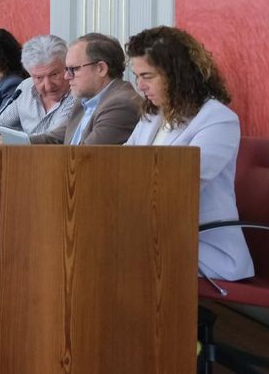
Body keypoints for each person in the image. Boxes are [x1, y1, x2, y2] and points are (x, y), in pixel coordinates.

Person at [124, 26, 253, 282]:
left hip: (202, 243)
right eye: (137, 76)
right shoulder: (153, 116)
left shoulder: (217, 119)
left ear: (176, 75)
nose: (140, 86)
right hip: (157, 232)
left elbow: (183, 186)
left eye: (147, 76)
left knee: (109, 253)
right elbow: (121, 165)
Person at [0, 35, 78, 143]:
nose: (47, 85)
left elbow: (53, 139)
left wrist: (12, 141)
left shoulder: (76, 95)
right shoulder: (25, 87)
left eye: (54, 74)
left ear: (67, 67)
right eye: (39, 78)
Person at [28, 33, 141, 145]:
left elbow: (84, 157)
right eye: (66, 69)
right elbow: (52, 139)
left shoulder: (121, 105)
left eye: (74, 69)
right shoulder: (86, 100)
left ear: (101, 69)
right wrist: (14, 141)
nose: (67, 76)